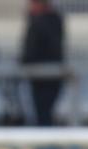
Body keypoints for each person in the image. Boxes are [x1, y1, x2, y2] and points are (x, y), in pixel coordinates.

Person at [21, 0, 64, 128]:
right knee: (41, 116)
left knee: (44, 117)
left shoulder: (45, 22)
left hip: (46, 78)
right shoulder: (48, 21)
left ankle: (47, 146)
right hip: (40, 78)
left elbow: (32, 51)